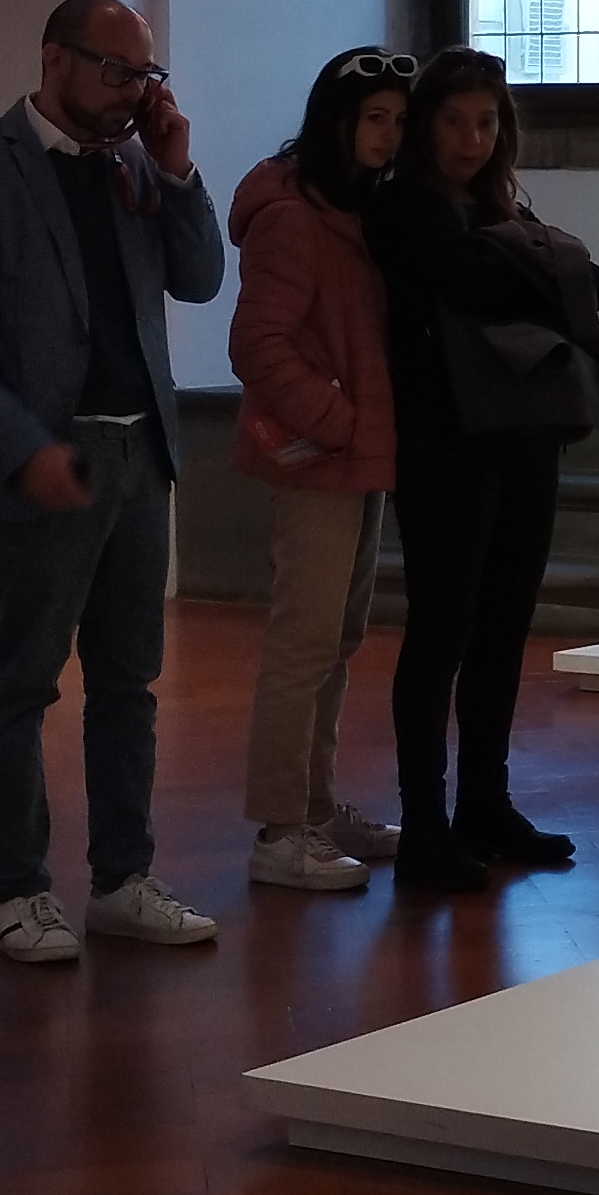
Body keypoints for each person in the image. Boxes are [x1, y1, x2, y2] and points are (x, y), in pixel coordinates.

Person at [0, 0, 228, 967]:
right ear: (56, 60)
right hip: (44, 456)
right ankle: (21, 892)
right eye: (119, 72)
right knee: (24, 684)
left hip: (140, 452)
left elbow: (203, 278)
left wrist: (176, 172)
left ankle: (123, 879)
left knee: (129, 681)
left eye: (147, 75)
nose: (136, 92)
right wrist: (22, 448)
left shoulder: (134, 166)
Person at [360, 46, 599, 893]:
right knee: (440, 633)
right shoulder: (407, 210)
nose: (471, 137)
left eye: (487, 121)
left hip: (522, 435)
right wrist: (546, 270)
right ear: (427, 124)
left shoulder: (498, 205)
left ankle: (484, 805)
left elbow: (589, 284)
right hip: (445, 443)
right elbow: (484, 280)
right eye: (455, 120)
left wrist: (542, 272)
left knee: (504, 629)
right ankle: (424, 823)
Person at [228, 50, 413, 895]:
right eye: (374, 118)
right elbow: (258, 344)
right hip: (319, 457)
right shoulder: (293, 216)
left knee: (335, 640)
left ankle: (314, 803)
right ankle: (279, 828)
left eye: (398, 121)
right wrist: (338, 421)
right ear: (337, 120)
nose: (389, 135)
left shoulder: (354, 210)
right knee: (302, 643)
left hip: (358, 453)